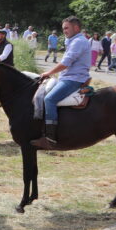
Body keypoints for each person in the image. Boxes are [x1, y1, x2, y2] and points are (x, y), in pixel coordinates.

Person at [31, 16, 90, 149]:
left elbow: (66, 62)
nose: (64, 31)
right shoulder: (72, 40)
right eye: (63, 28)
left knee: (49, 100)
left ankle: (50, 139)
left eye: (66, 28)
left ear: (76, 28)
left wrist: (48, 73)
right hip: (67, 77)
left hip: (73, 79)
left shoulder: (78, 41)